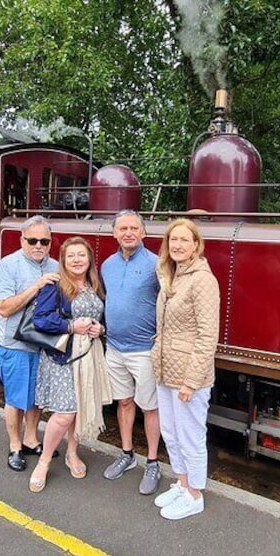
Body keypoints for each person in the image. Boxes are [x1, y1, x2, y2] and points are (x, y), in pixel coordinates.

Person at [28, 236, 111, 493]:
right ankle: (43, 462)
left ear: (89, 260)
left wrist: (101, 328)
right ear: (63, 260)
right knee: (65, 414)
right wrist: (71, 326)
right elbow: (40, 319)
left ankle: (72, 453)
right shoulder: (55, 284)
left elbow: (102, 315)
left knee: (80, 407)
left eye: (81, 255)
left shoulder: (95, 284)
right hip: (63, 357)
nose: (77, 260)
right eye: (71, 255)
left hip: (89, 354)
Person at [151, 218, 220, 520]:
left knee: (190, 434)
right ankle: (182, 483)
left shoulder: (203, 279)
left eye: (184, 240)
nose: (177, 245)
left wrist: (191, 382)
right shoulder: (172, 274)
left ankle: (195, 495)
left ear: (196, 245)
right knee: (171, 432)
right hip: (166, 370)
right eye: (172, 240)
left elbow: (208, 335)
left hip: (189, 376)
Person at [100, 210, 163, 495]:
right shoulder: (107, 265)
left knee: (150, 407)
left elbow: (167, 304)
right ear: (115, 233)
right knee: (124, 403)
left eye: (134, 228)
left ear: (143, 233)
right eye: (123, 228)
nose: (128, 233)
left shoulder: (156, 264)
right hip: (114, 348)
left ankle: (152, 462)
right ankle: (126, 454)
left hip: (144, 351)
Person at [0, 216, 60, 472]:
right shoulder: (7, 267)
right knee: (16, 398)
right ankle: (15, 446)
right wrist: (37, 286)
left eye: (44, 241)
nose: (38, 245)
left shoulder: (54, 265)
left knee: (36, 398)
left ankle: (32, 439)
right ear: (22, 240)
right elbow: (5, 308)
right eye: (33, 240)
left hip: (42, 345)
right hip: (14, 344)